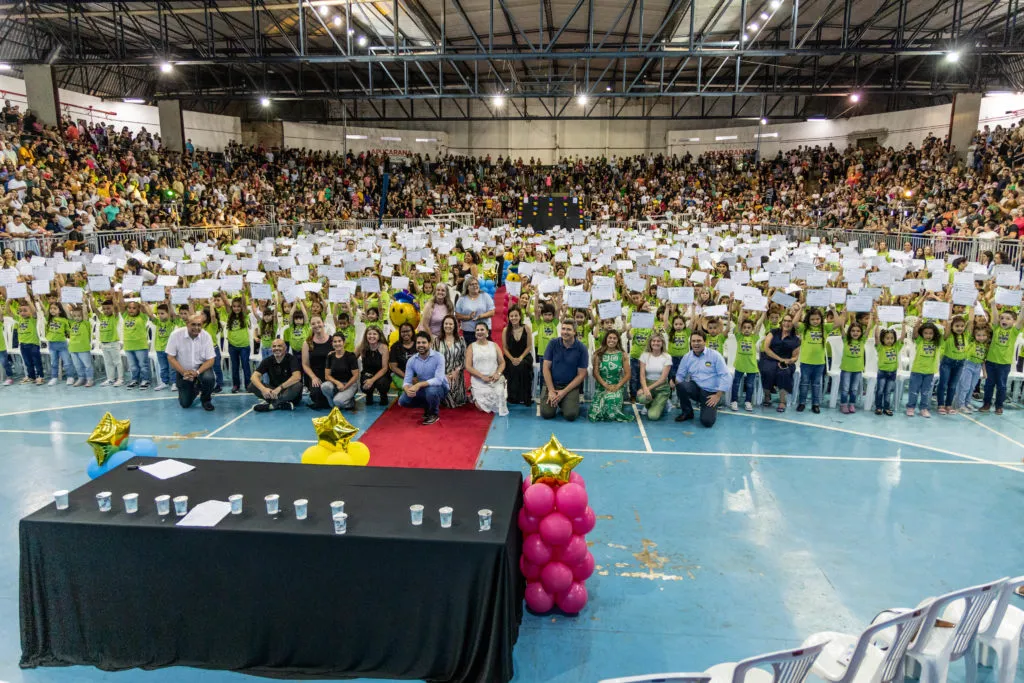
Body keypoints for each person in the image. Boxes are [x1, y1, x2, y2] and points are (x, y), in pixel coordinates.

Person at [673, 330, 730, 428]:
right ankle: (687, 412)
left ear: (705, 342)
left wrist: (718, 395)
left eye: (699, 341)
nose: (696, 343)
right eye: (693, 341)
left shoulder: (715, 356)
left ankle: (709, 407)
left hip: (710, 393)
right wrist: (675, 386)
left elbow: (726, 376)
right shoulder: (687, 357)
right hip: (695, 388)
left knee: (707, 422)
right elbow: (680, 375)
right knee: (681, 385)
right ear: (690, 343)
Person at [165, 314, 216, 411]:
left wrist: (197, 373)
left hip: (201, 368)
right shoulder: (175, 335)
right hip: (183, 370)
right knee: (185, 404)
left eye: (199, 325)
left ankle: (206, 400)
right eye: (193, 324)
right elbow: (170, 357)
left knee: (209, 378)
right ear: (187, 324)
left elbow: (211, 360)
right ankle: (196, 387)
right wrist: (183, 372)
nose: (196, 328)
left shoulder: (206, 336)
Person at [540, 319, 589, 421]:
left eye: (569, 329)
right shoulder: (552, 344)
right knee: (546, 414)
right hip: (552, 384)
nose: (565, 332)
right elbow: (545, 368)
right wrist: (551, 390)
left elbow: (581, 374)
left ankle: (565, 402)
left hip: (570, 387)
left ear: (574, 332)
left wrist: (563, 392)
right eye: (563, 329)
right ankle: (560, 401)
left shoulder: (582, 348)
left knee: (570, 415)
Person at [399, 331, 449, 425]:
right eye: (418, 343)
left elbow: (438, 380)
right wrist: (407, 389)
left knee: (432, 391)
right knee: (403, 400)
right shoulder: (411, 360)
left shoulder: (439, 357)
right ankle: (428, 405)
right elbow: (406, 381)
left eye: (424, 342)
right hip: (423, 388)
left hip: (440, 388)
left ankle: (433, 414)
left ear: (429, 344)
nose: (421, 345)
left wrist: (419, 384)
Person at [982, 307, 1024, 414]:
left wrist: (1022, 307)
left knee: (1001, 386)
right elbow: (995, 316)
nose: (1004, 320)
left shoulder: (1014, 331)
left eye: (1008, 318)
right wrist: (993, 304)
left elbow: (1020, 320)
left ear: (1014, 322)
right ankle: (986, 403)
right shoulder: (996, 328)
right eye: (1002, 318)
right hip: (990, 362)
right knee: (988, 385)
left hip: (1004, 364)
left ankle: (999, 406)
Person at [588, 329, 633, 422]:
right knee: (596, 413)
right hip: (602, 387)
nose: (612, 340)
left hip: (617, 386)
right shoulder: (598, 353)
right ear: (606, 339)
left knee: (611, 401)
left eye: (614, 338)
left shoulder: (622, 354)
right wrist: (606, 386)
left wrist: (618, 386)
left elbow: (628, 374)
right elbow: (595, 373)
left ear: (618, 341)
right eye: (610, 338)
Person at [759, 313, 801, 412]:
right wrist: (779, 359)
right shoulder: (773, 332)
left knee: (784, 373)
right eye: (785, 321)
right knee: (767, 370)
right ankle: (767, 395)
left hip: (786, 361)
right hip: (770, 358)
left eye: (789, 321)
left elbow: (795, 357)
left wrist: (788, 361)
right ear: (781, 323)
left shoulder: (795, 339)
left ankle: (782, 401)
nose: (787, 323)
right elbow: (766, 348)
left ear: (792, 323)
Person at [466, 321, 508, 416]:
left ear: (487, 332)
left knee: (499, 405)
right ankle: (473, 392)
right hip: (479, 380)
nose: (479, 332)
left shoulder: (494, 345)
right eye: (477, 330)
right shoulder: (471, 347)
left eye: (482, 330)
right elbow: (468, 366)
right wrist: (482, 376)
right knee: (481, 407)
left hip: (494, 379)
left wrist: (497, 374)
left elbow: (502, 362)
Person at [248, 338, 302, 412]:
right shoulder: (268, 360)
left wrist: (280, 388)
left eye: (279, 346)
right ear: (271, 348)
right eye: (274, 346)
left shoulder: (292, 359)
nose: (276, 348)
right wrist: (263, 389)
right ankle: (280, 404)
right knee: (252, 385)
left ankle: (271, 406)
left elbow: (297, 377)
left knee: (298, 385)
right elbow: (254, 376)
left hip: (288, 392)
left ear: (285, 348)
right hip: (273, 392)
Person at [432, 315, 468, 407]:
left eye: (451, 324)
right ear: (443, 325)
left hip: (457, 374)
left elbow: (465, 359)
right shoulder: (436, 341)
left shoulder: (461, 340)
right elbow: (433, 361)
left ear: (455, 326)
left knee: (457, 401)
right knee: (445, 401)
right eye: (446, 323)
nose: (448, 326)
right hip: (441, 374)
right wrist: (443, 375)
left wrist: (457, 370)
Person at [502, 305, 534, 405]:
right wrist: (512, 359)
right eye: (511, 316)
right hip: (510, 357)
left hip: (524, 356)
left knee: (522, 366)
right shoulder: (505, 330)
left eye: (516, 315)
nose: (514, 318)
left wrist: (520, 358)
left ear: (520, 317)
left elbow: (529, 347)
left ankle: (525, 397)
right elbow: (505, 348)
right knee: (512, 367)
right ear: (508, 317)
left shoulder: (526, 328)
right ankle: (513, 396)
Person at [638, 333, 673, 421]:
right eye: (653, 341)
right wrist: (645, 388)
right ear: (650, 342)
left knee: (653, 416)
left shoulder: (667, 357)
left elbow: (662, 379)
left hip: (662, 388)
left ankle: (665, 403)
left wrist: (646, 389)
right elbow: (642, 375)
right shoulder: (644, 355)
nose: (656, 343)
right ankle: (650, 404)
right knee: (641, 398)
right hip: (648, 384)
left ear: (662, 343)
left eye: (658, 341)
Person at [320, 332, 360, 410]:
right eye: (335, 341)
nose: (337, 343)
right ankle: (335, 404)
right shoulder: (330, 356)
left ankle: (350, 402)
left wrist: (344, 387)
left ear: (344, 342)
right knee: (324, 386)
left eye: (339, 341)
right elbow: (327, 376)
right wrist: (337, 383)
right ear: (332, 343)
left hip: (350, 384)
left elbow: (355, 376)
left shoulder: (351, 356)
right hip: (336, 384)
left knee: (338, 401)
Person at [301, 316, 333, 409]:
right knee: (317, 396)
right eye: (313, 324)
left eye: (318, 322)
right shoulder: (307, 343)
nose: (316, 325)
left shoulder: (332, 340)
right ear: (311, 326)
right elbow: (305, 365)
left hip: (330, 374)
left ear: (323, 323)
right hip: (315, 375)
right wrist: (313, 377)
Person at [454, 277, 495, 344]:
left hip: (484, 330)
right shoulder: (462, 299)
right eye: (472, 284)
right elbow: (457, 315)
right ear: (467, 287)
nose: (475, 286)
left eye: (476, 284)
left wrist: (481, 316)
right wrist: (469, 317)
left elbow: (492, 312)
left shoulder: (485, 296)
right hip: (469, 331)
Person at [358, 326, 391, 406]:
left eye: (374, 334)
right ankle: (369, 395)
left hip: (382, 374)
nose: (371, 336)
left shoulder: (384, 347)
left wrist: (372, 380)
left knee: (382, 383)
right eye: (369, 334)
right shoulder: (362, 346)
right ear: (366, 335)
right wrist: (336, 352)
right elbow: (350, 357)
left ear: (379, 336)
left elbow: (385, 368)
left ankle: (383, 395)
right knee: (365, 383)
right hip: (368, 373)